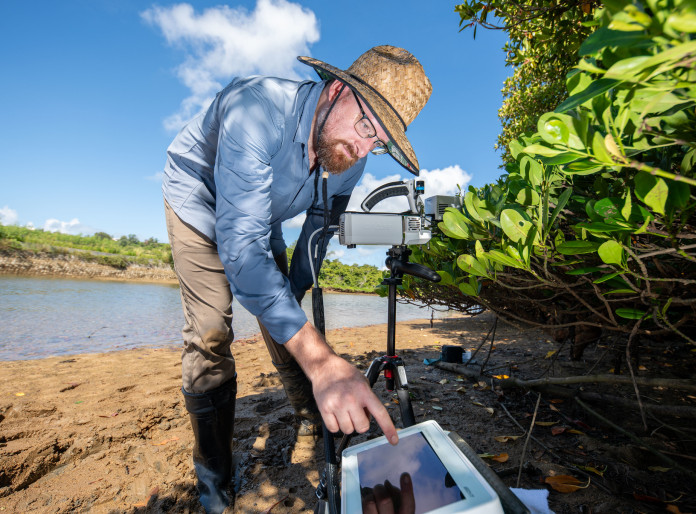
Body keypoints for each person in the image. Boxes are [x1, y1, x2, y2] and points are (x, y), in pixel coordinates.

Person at [161, 45, 431, 513]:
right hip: (198, 204)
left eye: (379, 143)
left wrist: (293, 299)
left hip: (260, 216)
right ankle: (214, 482)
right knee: (209, 333)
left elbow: (320, 227)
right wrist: (323, 361)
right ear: (339, 90)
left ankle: (308, 413)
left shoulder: (355, 153)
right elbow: (240, 250)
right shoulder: (256, 109)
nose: (364, 149)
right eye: (367, 127)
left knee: (285, 311)